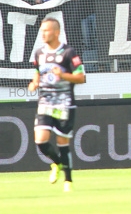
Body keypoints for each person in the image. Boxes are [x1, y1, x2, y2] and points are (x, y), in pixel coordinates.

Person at [27, 17, 85, 192]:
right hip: (45, 100)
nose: (43, 34)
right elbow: (37, 72)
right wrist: (34, 82)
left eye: (47, 30)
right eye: (42, 31)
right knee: (40, 140)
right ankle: (57, 164)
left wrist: (63, 75)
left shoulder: (69, 53)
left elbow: (81, 77)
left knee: (62, 142)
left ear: (57, 32)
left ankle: (68, 181)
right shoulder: (39, 53)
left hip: (64, 102)